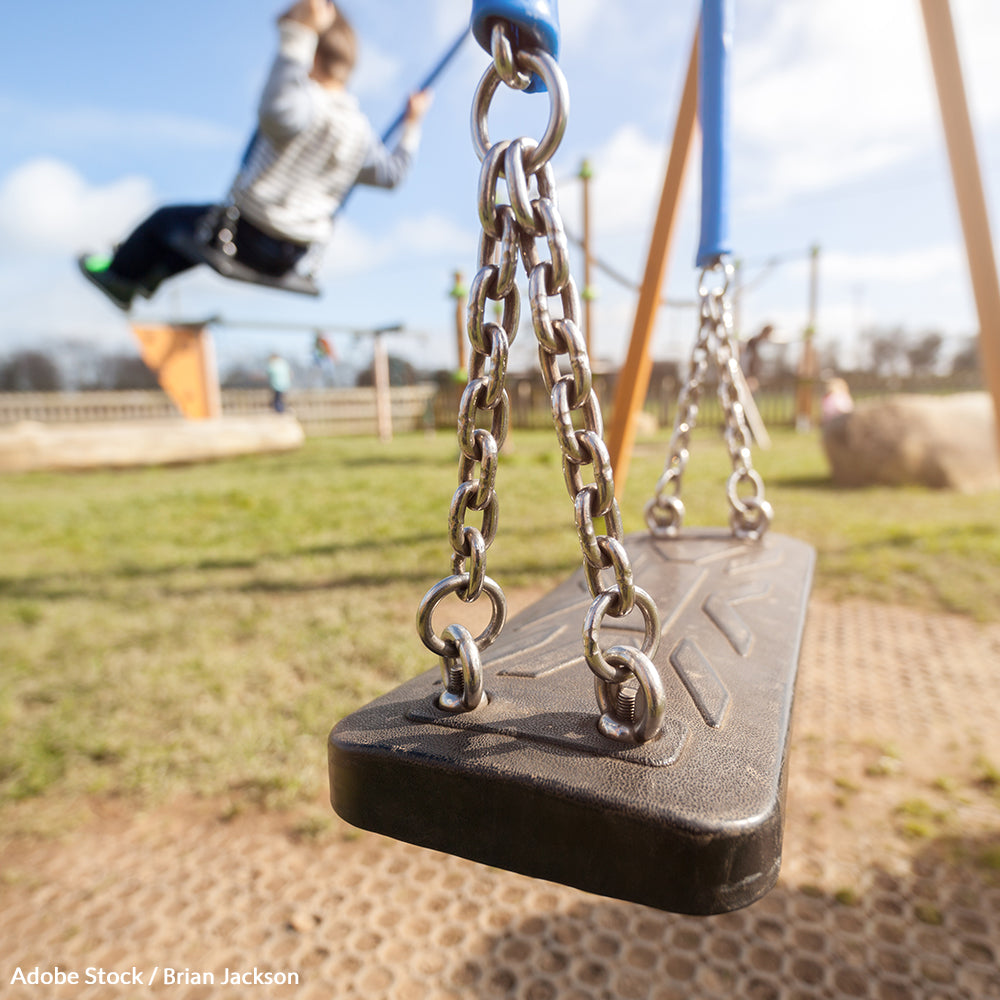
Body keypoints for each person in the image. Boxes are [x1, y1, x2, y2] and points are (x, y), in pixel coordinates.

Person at [78, 0, 433, 310]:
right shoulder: (361, 133)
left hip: (247, 234)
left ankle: (119, 277)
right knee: (193, 239)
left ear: (311, 53)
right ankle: (148, 278)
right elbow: (393, 175)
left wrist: (299, 33)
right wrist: (413, 125)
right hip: (293, 253)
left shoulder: (305, 104)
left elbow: (277, 110)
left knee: (163, 222)